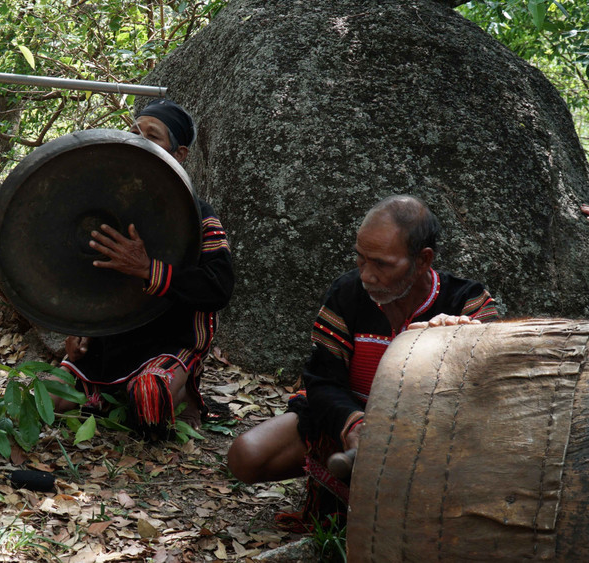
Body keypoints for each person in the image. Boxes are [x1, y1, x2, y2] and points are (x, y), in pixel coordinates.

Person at [226, 195, 498, 528]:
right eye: (361, 259)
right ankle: (342, 492)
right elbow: (322, 380)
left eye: (382, 263)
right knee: (246, 456)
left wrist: (457, 340)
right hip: (352, 425)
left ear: (423, 260)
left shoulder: (466, 301)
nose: (367, 275)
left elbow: (492, 387)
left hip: (430, 442)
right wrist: (353, 425)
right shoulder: (348, 293)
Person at [52, 99, 234, 437]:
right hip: (108, 343)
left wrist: (149, 269)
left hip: (168, 342)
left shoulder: (198, 217)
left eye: (152, 136)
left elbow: (218, 287)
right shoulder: (107, 206)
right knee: (40, 400)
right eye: (134, 131)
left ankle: (183, 396)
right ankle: (107, 398)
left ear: (179, 154)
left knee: (149, 397)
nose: (138, 140)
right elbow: (88, 277)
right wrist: (79, 328)